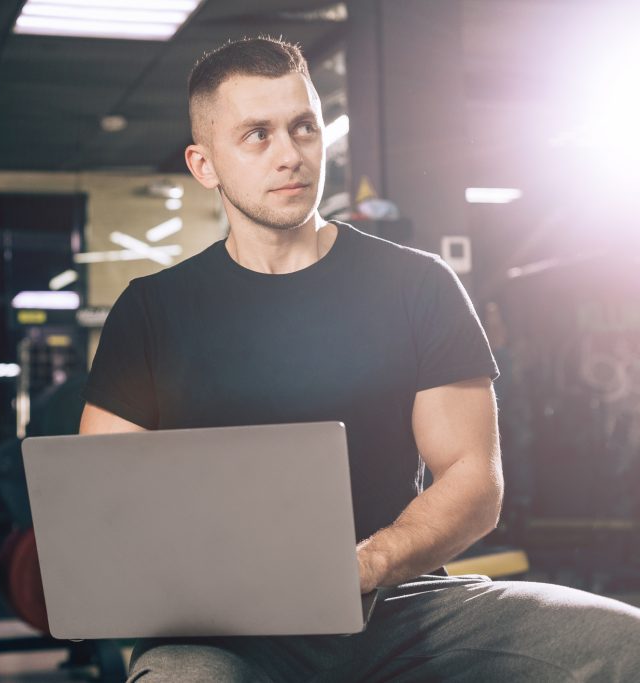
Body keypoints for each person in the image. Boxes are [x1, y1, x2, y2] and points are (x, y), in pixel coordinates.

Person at [79, 36, 640, 681]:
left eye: (304, 127)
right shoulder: (151, 312)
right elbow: (104, 504)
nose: (290, 155)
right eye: (256, 135)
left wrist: (367, 566)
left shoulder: (418, 285)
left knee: (624, 645)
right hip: (222, 632)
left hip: (397, 604)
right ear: (204, 165)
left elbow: (473, 482)